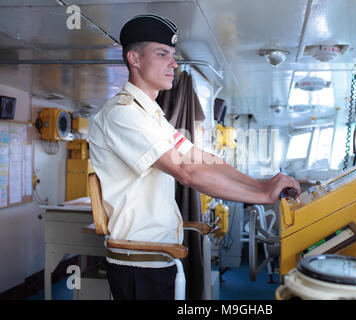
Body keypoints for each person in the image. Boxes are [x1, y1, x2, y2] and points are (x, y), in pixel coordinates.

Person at [88, 14, 300, 300]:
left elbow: (201, 158)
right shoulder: (122, 114)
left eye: (173, 55)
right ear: (134, 59)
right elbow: (187, 172)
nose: (173, 64)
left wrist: (260, 184)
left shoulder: (152, 117)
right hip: (138, 262)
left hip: (160, 257)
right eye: (163, 54)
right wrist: (260, 196)